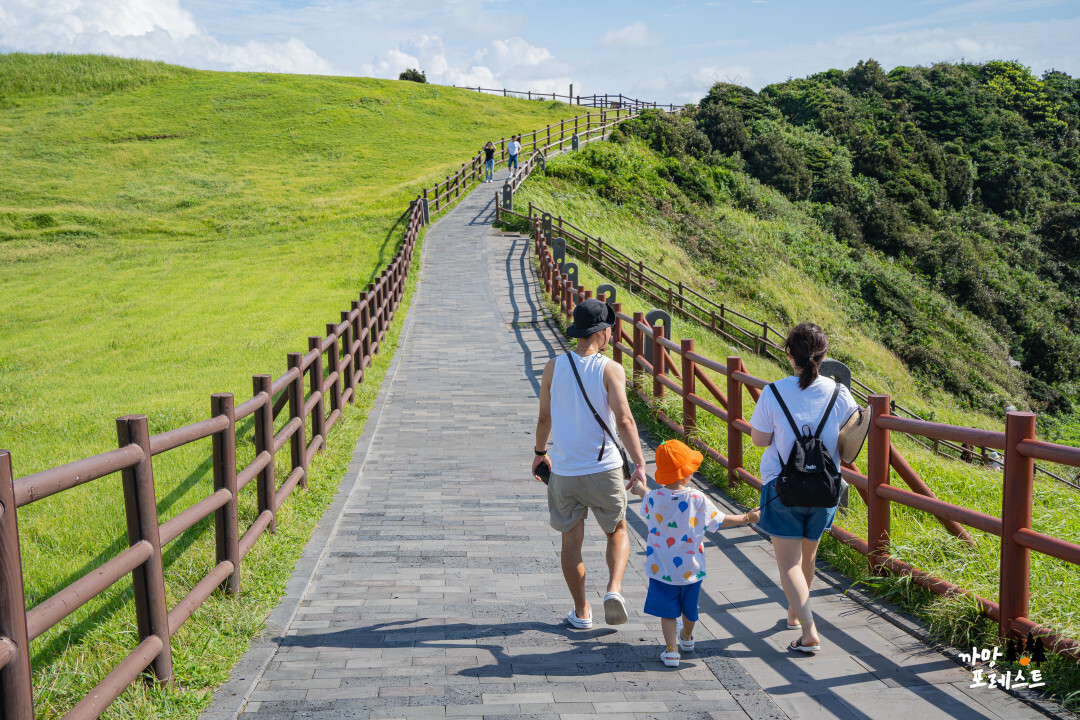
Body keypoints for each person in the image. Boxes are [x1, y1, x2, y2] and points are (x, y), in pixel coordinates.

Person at [533, 298, 648, 629]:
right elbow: (624, 419)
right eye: (610, 329)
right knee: (617, 530)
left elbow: (544, 417)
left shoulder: (553, 367)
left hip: (565, 471)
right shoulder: (610, 369)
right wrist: (639, 463)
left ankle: (582, 611)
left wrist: (540, 453)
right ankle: (613, 589)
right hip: (604, 469)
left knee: (571, 541)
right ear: (602, 332)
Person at [749, 322, 858, 653]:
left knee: (789, 564)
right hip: (825, 488)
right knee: (807, 557)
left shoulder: (774, 391)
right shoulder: (840, 394)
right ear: (823, 356)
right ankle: (795, 613)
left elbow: (759, 440)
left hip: (784, 488)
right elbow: (851, 442)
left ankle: (809, 631)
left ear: (789, 354)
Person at [629, 439, 760, 667]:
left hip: (662, 567)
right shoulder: (697, 499)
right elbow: (720, 521)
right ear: (685, 474)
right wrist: (748, 518)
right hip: (691, 568)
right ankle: (687, 638)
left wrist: (640, 489)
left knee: (668, 611)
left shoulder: (653, 498)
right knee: (689, 608)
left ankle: (671, 651)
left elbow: (649, 496)